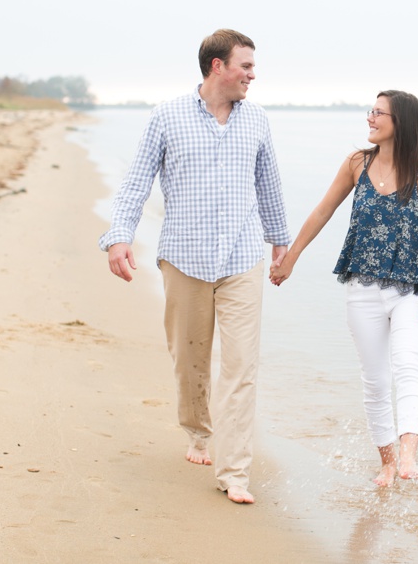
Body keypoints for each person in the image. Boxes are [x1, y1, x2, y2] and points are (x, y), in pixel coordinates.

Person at [98, 29, 290, 504]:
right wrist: (118, 235)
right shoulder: (167, 117)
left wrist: (281, 242)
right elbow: (136, 181)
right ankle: (198, 433)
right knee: (190, 360)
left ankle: (235, 471)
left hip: (242, 258)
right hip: (184, 256)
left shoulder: (258, 121)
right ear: (217, 66)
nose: (252, 74)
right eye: (245, 65)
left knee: (242, 365)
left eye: (253, 66)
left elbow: (269, 185)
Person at [270, 90, 418, 486]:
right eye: (371, 111)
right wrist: (291, 258)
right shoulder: (356, 163)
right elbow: (323, 210)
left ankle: (408, 456)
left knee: (407, 364)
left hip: (411, 287)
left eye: (379, 113)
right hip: (362, 285)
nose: (370, 118)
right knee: (375, 379)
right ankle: (386, 461)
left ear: (401, 123)